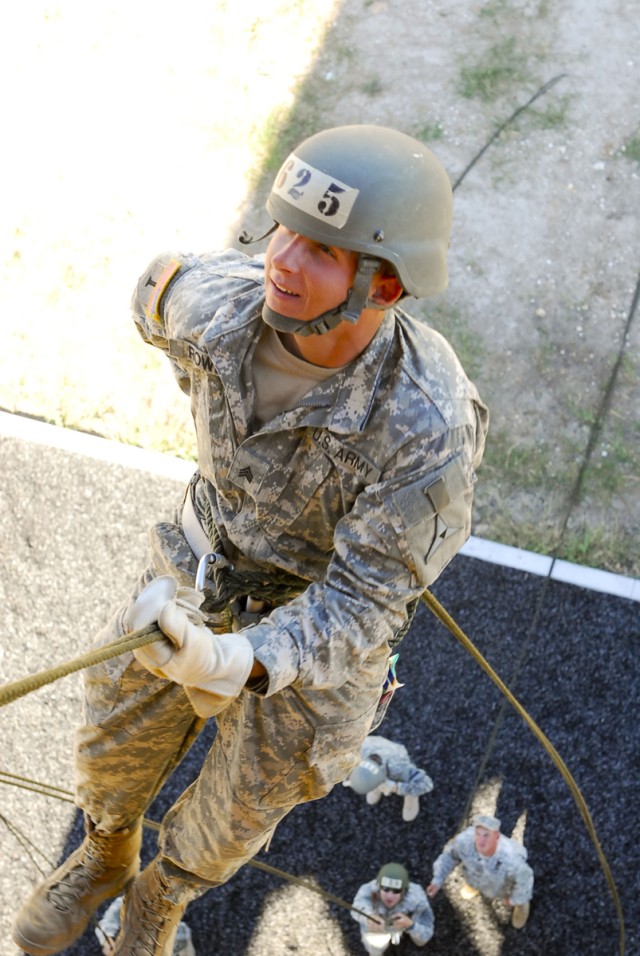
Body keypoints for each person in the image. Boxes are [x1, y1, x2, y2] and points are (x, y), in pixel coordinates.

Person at [13, 124, 488, 956]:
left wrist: (238, 662)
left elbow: (365, 601)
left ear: (385, 287)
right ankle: (104, 853)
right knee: (110, 747)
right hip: (200, 565)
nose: (282, 261)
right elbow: (152, 294)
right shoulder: (210, 307)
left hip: (319, 629)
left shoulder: (428, 421)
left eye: (321, 250)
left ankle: (161, 899)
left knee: (236, 813)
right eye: (284, 230)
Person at [426, 814, 533, 929]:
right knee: (474, 878)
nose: (481, 840)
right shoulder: (465, 840)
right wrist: (438, 879)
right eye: (478, 834)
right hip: (475, 876)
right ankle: (475, 886)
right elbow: (449, 855)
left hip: (504, 886)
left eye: (486, 835)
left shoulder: (511, 859)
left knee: (519, 894)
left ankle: (521, 905)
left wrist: (514, 899)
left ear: (496, 837)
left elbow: (525, 880)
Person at [343, 733, 434, 821]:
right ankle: (376, 787)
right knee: (367, 787)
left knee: (408, 781)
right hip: (377, 746)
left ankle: (411, 795)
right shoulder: (360, 749)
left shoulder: (398, 766)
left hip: (395, 758)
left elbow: (426, 784)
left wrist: (396, 788)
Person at [351, 862, 434, 955]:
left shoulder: (417, 899)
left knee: (420, 940)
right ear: (378, 887)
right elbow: (357, 908)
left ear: (404, 891)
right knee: (375, 946)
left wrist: (410, 925)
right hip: (379, 929)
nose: (389, 896)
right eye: (385, 889)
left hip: (405, 924)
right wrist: (368, 917)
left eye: (396, 891)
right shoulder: (368, 890)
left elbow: (426, 933)